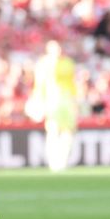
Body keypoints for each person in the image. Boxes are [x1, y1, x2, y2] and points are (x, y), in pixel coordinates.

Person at [27, 40, 78, 172]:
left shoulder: (67, 63)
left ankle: (63, 161)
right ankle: (53, 162)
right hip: (51, 101)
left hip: (66, 101)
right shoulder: (44, 64)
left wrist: (74, 101)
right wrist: (38, 101)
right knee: (53, 130)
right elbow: (39, 85)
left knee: (68, 132)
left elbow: (71, 83)